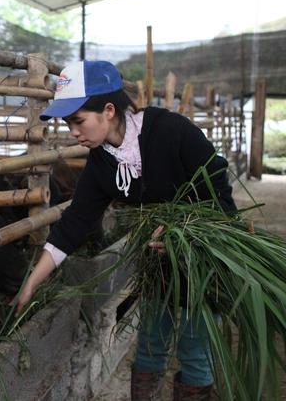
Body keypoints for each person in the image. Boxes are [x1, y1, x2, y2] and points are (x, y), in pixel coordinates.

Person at [14, 60, 235, 400]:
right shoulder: (102, 162)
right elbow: (74, 223)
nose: (74, 131)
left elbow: (218, 190)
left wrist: (182, 230)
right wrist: (32, 280)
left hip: (204, 260)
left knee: (195, 349)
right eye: (68, 123)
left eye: (78, 121)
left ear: (108, 109)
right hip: (159, 265)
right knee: (149, 346)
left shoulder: (172, 131)